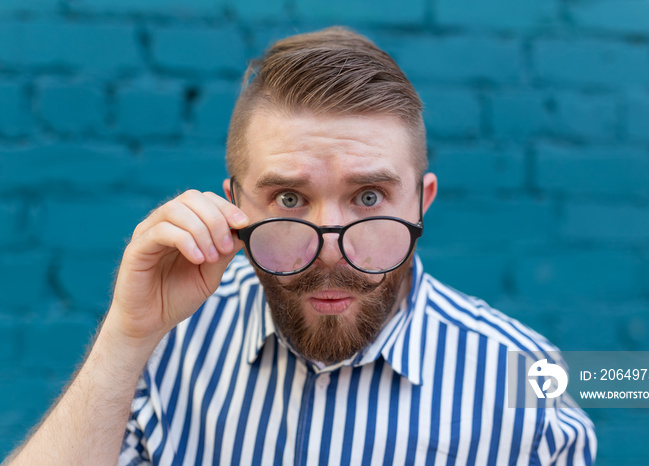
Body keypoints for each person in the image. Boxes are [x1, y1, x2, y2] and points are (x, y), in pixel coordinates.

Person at [5, 27, 596, 465]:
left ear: (421, 203)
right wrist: (128, 334)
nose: (330, 252)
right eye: (289, 199)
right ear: (236, 205)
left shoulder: (527, 387)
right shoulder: (167, 343)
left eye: (368, 197)